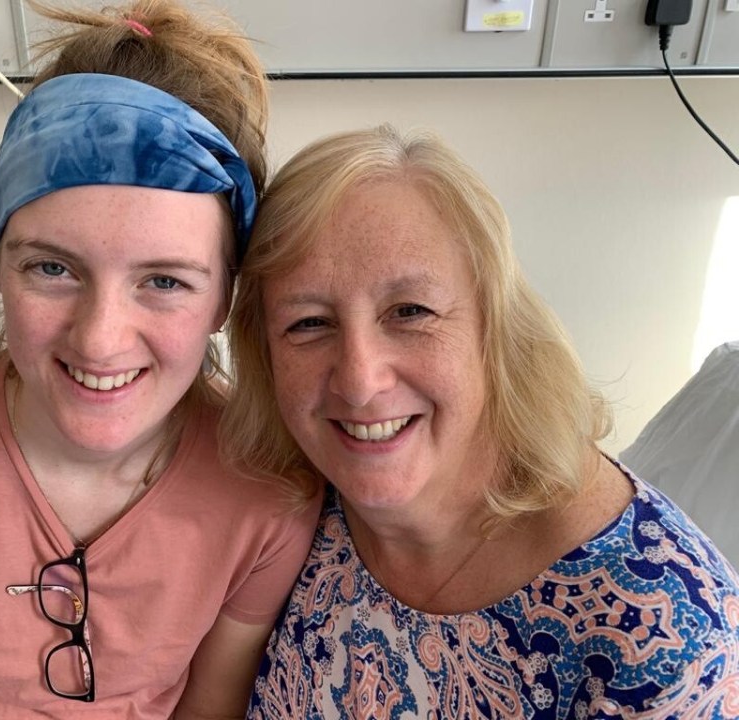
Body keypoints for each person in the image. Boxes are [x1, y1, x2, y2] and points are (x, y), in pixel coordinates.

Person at [0, 1, 320, 717]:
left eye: (164, 281)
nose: (100, 339)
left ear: (227, 297)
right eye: (52, 269)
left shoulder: (267, 492)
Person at [221, 125, 739, 718]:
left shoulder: (665, 638)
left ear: (493, 329)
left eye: (410, 311)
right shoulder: (288, 508)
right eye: (308, 322)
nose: (360, 381)